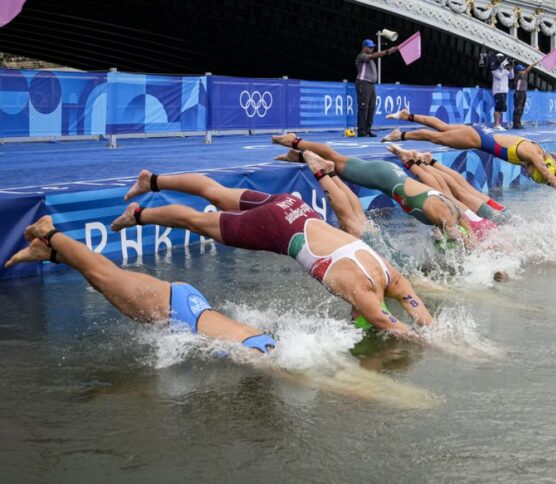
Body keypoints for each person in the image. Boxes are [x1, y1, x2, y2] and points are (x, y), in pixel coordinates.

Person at [113, 170, 434, 340]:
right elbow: (384, 320)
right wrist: (428, 343)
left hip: (294, 208)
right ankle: (138, 214)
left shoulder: (392, 276)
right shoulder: (363, 295)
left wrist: (431, 330)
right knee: (197, 223)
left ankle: (152, 180)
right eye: (356, 319)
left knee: (218, 194)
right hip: (279, 228)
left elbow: (415, 306)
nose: (352, 319)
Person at [5, 216, 277, 354]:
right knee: (103, 276)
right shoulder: (264, 356)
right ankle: (48, 232)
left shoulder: (267, 346)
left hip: (187, 306)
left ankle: (49, 253)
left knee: (107, 277)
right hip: (177, 311)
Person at [272, 133, 479, 248]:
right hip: (384, 176)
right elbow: (460, 241)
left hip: (391, 177)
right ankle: (294, 140)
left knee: (338, 173)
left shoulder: (455, 213)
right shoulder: (445, 215)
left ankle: (298, 156)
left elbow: (467, 236)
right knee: (335, 159)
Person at [381, 109, 556, 193]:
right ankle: (401, 135)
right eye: (532, 175)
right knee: (436, 137)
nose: (528, 174)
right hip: (477, 139)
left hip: (482, 133)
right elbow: (552, 179)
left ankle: (408, 116)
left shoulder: (546, 158)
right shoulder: (533, 156)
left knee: (442, 127)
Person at [355, 39, 398, 137]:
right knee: (363, 108)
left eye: (373, 47)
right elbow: (374, 56)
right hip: (363, 83)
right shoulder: (361, 56)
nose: (372, 48)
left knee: (371, 108)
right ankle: (361, 131)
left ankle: (368, 129)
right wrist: (387, 51)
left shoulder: (369, 59)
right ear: (364, 47)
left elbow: (374, 56)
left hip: (371, 85)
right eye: (370, 47)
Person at [512, 61, 539, 129]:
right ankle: (516, 124)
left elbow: (526, 71)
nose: (523, 70)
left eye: (523, 69)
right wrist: (532, 65)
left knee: (521, 108)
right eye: (521, 69)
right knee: (518, 108)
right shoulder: (519, 75)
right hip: (519, 93)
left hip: (523, 92)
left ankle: (518, 123)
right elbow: (527, 70)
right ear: (518, 71)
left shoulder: (523, 75)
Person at [491, 54, 515, 130]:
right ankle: (496, 125)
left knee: (501, 108)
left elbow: (511, 77)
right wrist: (504, 69)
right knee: (498, 108)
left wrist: (511, 68)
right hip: (498, 91)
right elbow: (499, 77)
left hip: (504, 91)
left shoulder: (505, 70)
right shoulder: (494, 70)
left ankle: (498, 124)